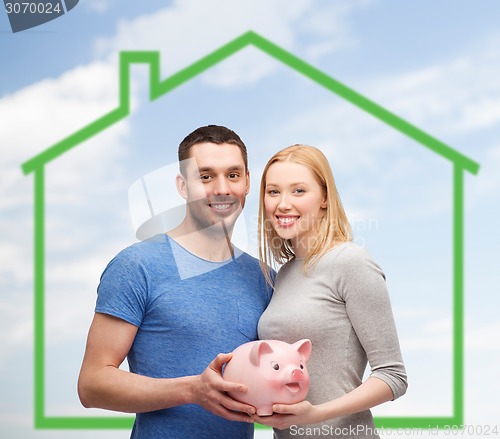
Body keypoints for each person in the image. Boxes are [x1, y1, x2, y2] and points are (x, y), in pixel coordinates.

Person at [78, 125, 271, 439]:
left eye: (233, 175)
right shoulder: (137, 265)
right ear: (183, 185)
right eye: (205, 177)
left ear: (248, 181)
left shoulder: (264, 279)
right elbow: (92, 385)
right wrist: (192, 390)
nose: (222, 188)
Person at [254, 144, 407, 438]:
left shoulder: (351, 262)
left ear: (325, 198)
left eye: (298, 191)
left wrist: (317, 414)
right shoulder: (283, 275)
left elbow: (393, 376)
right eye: (273, 192)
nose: (283, 204)